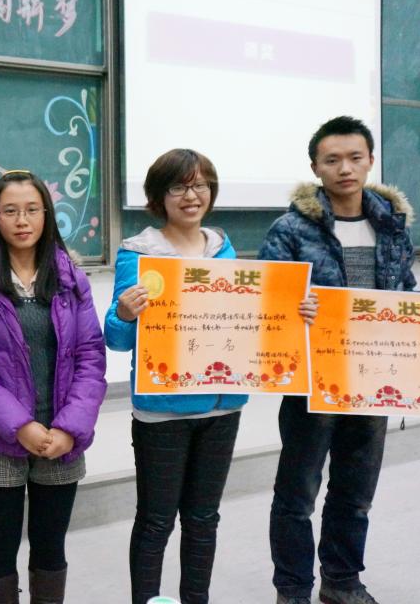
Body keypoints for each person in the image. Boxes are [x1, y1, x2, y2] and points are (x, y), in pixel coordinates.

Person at [260, 116, 420, 604]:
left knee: (355, 495)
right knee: (297, 496)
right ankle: (292, 590)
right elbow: (269, 305)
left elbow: (402, 294)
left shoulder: (390, 224)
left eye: (355, 158)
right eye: (332, 160)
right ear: (315, 167)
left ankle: (342, 582)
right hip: (313, 383)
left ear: (371, 161)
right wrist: (295, 309)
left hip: (374, 380)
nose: (345, 168)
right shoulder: (290, 229)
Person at [104, 149, 316, 604]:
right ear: (159, 196)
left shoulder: (223, 249)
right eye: (178, 186)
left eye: (200, 185)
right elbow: (116, 339)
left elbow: (247, 318)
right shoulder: (138, 254)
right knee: (156, 520)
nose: (191, 195)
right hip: (163, 410)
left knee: (204, 519)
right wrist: (124, 313)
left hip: (222, 406)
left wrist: (293, 311)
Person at [0, 170, 107, 604]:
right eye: (10, 211)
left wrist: (69, 428)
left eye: (32, 210)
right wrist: (20, 425)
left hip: (61, 435)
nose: (22, 220)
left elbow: (91, 357)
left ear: (46, 215)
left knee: (50, 546)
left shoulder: (71, 280)